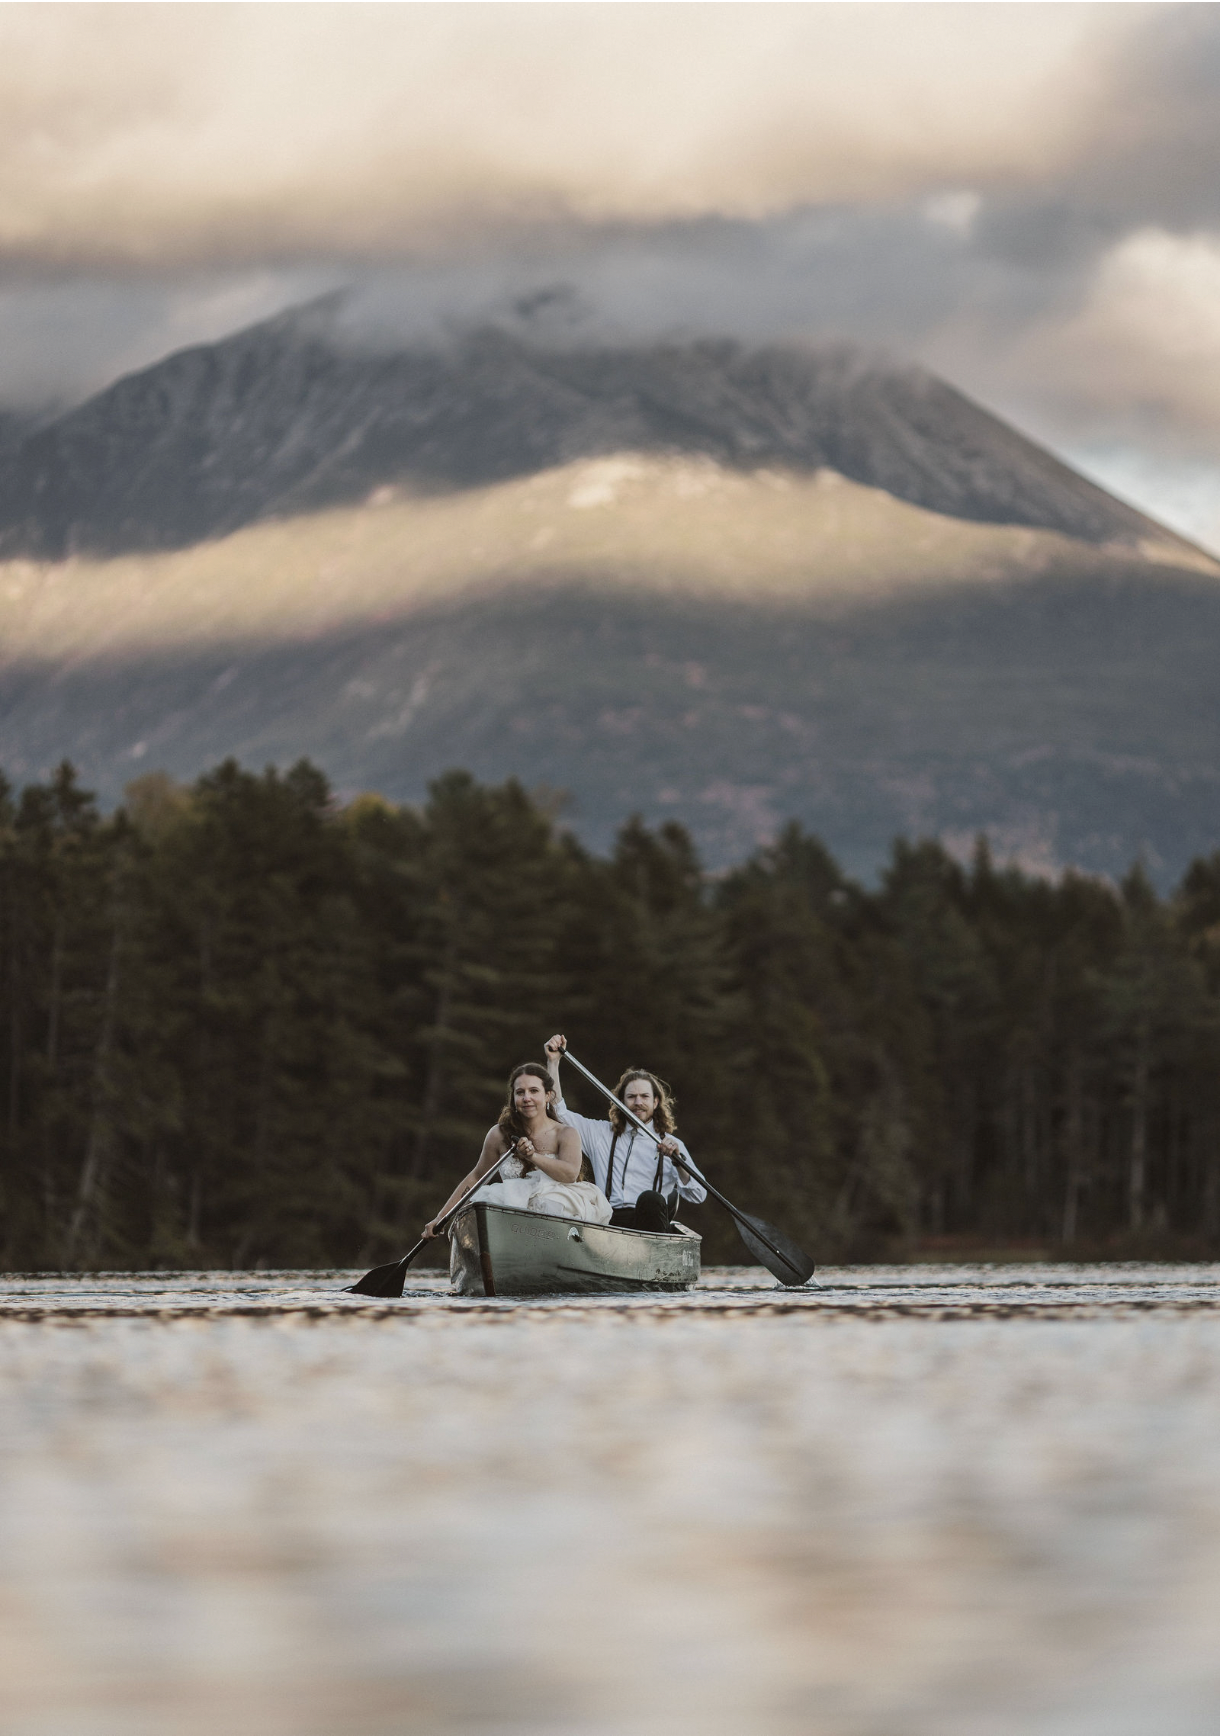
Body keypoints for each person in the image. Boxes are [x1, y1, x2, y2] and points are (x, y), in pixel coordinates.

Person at [422, 1061, 612, 1238]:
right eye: (520, 1092)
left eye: (534, 1091)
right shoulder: (498, 1134)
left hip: (555, 1218)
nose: (527, 1098)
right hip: (512, 1219)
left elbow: (570, 1174)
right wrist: (441, 1217)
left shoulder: (566, 1133)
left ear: (548, 1095)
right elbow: (477, 1176)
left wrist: (532, 1156)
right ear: (513, 1098)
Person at [543, 1034, 706, 1231]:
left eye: (644, 1096)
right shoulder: (600, 1133)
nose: (638, 1102)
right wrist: (553, 1062)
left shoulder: (672, 1144)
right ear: (621, 1102)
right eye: (631, 1097)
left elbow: (698, 1194)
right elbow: (558, 1112)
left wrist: (678, 1163)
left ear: (655, 1102)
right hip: (608, 1223)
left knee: (650, 1199)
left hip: (650, 1227)